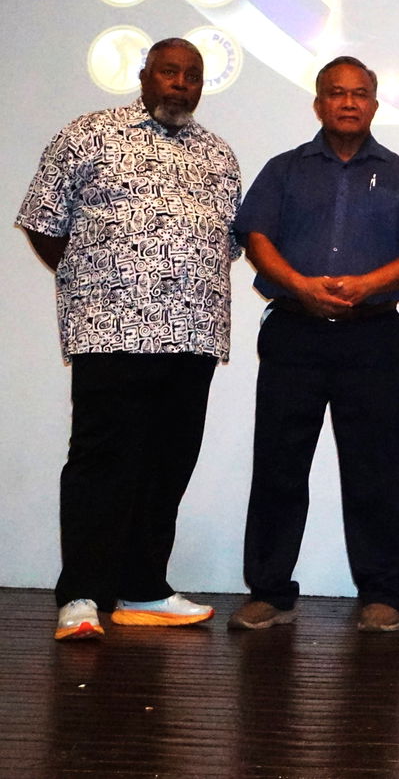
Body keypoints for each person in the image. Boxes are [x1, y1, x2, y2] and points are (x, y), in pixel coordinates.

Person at [16, 38, 241, 641]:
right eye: (169, 71)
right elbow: (44, 225)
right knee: (101, 463)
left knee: (168, 464)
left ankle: (144, 588)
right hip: (110, 330)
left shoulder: (218, 154)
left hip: (193, 333)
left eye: (192, 76)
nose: (181, 84)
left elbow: (227, 241)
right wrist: (97, 278)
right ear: (145, 76)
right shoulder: (88, 134)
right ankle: (82, 596)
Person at [228, 56, 399, 634]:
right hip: (294, 330)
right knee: (279, 464)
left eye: (359, 93)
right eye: (335, 93)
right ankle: (269, 590)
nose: (347, 102)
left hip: (371, 335)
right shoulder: (285, 170)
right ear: (318, 103)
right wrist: (298, 285)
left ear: (374, 103)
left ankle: (383, 592)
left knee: (378, 466)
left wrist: (369, 283)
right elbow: (256, 236)